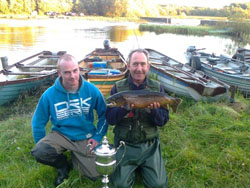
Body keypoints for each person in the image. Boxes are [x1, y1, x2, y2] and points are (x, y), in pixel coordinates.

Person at [31, 54, 108, 187]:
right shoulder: (49, 95)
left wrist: (97, 137)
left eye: (75, 70)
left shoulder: (92, 90)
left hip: (85, 136)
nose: (72, 76)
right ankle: (62, 165)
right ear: (59, 73)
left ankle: (77, 157)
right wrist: (43, 145)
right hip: (61, 135)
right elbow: (38, 122)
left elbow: (105, 115)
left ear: (79, 69)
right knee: (40, 151)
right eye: (67, 72)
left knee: (94, 175)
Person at [106, 49, 169, 188]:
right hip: (125, 143)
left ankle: (146, 164)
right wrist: (123, 109)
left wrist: (154, 111)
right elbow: (110, 119)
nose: (139, 69)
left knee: (158, 185)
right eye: (135, 64)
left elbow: (163, 121)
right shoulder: (118, 89)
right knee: (119, 185)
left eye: (142, 64)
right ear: (128, 65)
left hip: (149, 145)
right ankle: (133, 166)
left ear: (148, 66)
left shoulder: (157, 88)